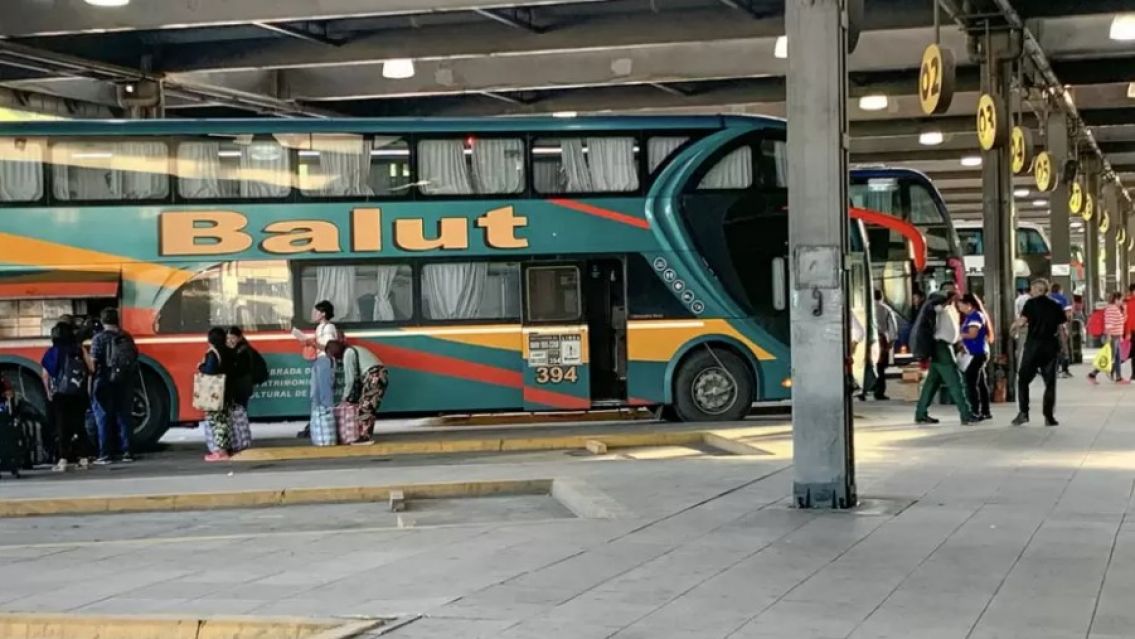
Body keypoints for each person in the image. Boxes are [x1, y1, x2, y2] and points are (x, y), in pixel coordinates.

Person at [913, 290, 977, 425]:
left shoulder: (950, 309)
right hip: (941, 348)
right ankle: (966, 414)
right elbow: (934, 308)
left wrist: (958, 343)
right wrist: (943, 300)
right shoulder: (939, 309)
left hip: (946, 346)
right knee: (955, 381)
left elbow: (953, 329)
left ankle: (920, 413)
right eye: (953, 298)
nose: (955, 300)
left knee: (931, 383)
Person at [40, 321, 94, 471]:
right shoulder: (79, 349)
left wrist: (48, 392)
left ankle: (63, 460)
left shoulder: (52, 351)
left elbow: (45, 375)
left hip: (61, 394)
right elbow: (91, 368)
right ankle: (84, 459)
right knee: (80, 425)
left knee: (62, 426)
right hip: (79, 393)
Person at [1012, 279, 1067, 426]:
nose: (1031, 291)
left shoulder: (1030, 304)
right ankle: (1049, 417)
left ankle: (1023, 413)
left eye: (1032, 288)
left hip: (1033, 348)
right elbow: (1061, 328)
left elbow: (1022, 321)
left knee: (1023, 379)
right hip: (1050, 348)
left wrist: (1013, 327)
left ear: (1037, 290)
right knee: (1050, 384)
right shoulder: (1056, 305)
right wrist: (1065, 349)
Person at [89, 308, 137, 465]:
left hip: (104, 381)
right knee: (124, 416)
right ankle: (127, 452)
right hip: (124, 381)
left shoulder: (98, 338)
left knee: (103, 417)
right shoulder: (126, 337)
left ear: (102, 322)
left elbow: (93, 364)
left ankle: (105, 454)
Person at [199, 327, 236, 461]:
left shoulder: (213, 353)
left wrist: (200, 367)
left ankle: (221, 452)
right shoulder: (229, 352)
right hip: (228, 391)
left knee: (217, 422)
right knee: (225, 421)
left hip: (215, 394)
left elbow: (210, 371)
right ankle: (227, 449)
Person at [958, 294, 992, 422]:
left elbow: (973, 334)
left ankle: (975, 410)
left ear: (968, 304)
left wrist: (959, 335)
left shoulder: (975, 316)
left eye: (960, 304)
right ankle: (985, 411)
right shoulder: (971, 316)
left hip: (977, 354)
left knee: (971, 382)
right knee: (981, 383)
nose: (959, 307)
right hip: (976, 353)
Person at [1088, 292, 1127, 384]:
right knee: (1109, 357)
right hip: (1112, 337)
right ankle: (1092, 374)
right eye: (1121, 300)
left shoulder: (1116, 309)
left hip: (1116, 336)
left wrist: (1124, 311)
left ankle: (1118, 378)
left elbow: (1121, 321)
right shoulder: (1112, 309)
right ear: (1116, 299)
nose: (1122, 302)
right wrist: (1109, 337)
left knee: (1117, 358)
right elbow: (1109, 324)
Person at [873, 290, 899, 401]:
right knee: (880, 367)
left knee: (868, 363)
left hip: (868, 339)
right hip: (881, 339)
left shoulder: (865, 307)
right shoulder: (886, 309)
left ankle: (863, 390)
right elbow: (892, 327)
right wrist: (891, 342)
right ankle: (879, 392)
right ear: (882, 297)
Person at [225, 327, 256, 410]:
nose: (230, 340)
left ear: (239, 338)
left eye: (233, 338)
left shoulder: (243, 351)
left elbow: (240, 369)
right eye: (228, 338)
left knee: (239, 411)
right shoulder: (233, 350)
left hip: (241, 387)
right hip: (237, 387)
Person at [1050, 283, 1074, 378]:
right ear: (1060, 290)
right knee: (1064, 348)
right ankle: (1064, 370)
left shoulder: (1047, 298)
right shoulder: (1063, 298)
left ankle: (1053, 370)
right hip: (1060, 326)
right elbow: (1068, 315)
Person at [1126, 284, 1135, 381]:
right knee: (1130, 354)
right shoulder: (1129, 302)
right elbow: (1129, 319)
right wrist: (1128, 332)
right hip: (1132, 332)